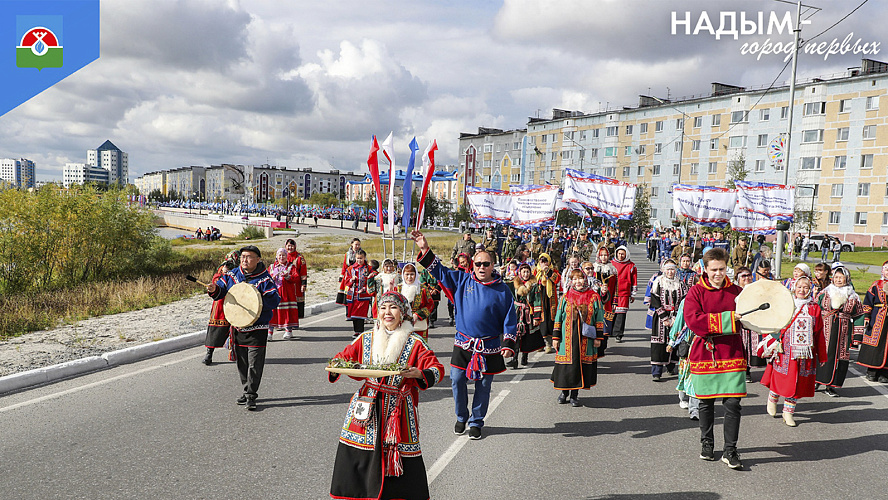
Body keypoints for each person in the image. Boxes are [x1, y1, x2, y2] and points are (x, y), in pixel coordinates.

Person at [328, 291, 444, 500]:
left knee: (398, 454)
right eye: (383, 308)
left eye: (393, 308)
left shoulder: (415, 342)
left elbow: (436, 369)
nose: (387, 312)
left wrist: (420, 373)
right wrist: (337, 366)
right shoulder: (366, 338)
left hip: (398, 408)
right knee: (360, 451)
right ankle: (360, 494)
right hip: (367, 403)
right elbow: (342, 358)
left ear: (403, 313)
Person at [412, 229, 517, 440]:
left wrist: (508, 342)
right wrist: (424, 248)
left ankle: (477, 422)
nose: (481, 268)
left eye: (486, 264)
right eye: (478, 264)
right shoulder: (461, 281)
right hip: (464, 344)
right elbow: (439, 271)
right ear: (472, 265)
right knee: (457, 380)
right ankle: (461, 416)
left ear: (492, 266)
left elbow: (510, 318)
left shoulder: (503, 290)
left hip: (489, 346)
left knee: (484, 386)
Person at [683, 247, 746, 469]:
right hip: (705, 353)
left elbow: (752, 317)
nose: (718, 273)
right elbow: (694, 321)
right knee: (706, 402)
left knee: (733, 403)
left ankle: (730, 450)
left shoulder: (738, 292)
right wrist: (730, 318)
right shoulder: (696, 292)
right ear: (705, 269)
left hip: (732, 353)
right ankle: (707, 443)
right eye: (714, 270)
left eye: (722, 269)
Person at [206, 245, 281, 410]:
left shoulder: (265, 279)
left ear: (258, 260)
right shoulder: (232, 275)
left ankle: (251, 395)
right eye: (242, 257)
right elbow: (221, 290)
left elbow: (275, 299)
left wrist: (255, 300)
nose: (244, 260)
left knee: (255, 363)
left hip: (258, 327)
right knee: (242, 363)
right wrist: (214, 289)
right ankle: (247, 388)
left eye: (248, 257)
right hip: (238, 326)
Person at [757, 276, 826, 427]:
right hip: (785, 350)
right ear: (794, 287)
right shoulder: (786, 303)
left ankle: (788, 412)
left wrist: (822, 355)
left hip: (805, 353)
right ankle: (773, 397)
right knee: (781, 378)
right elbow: (772, 323)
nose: (802, 290)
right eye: (799, 287)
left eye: (806, 287)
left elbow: (819, 332)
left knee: (797, 383)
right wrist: (769, 341)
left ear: (810, 289)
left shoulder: (814, 308)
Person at [551, 268, 605, 407]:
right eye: (574, 279)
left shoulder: (594, 297)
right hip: (566, 339)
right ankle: (564, 392)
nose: (578, 281)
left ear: (585, 279)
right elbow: (559, 316)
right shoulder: (566, 296)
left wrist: (599, 337)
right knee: (566, 367)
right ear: (571, 281)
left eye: (580, 278)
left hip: (585, 340)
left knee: (580, 365)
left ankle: (575, 395)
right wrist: (556, 337)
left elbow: (599, 317)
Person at [815, 265, 864, 396]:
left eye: (841, 277)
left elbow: (859, 315)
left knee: (838, 357)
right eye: (836, 277)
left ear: (847, 279)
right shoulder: (825, 292)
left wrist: (858, 336)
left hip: (843, 331)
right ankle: (816, 381)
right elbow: (815, 309)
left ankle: (831, 386)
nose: (838, 280)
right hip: (825, 329)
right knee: (821, 354)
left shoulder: (853, 296)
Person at [650, 260, 689, 381]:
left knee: (675, 341)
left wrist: (676, 318)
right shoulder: (658, 282)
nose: (670, 272)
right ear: (664, 270)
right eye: (668, 269)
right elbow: (655, 300)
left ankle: (671, 366)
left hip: (676, 316)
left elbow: (684, 300)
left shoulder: (681, 284)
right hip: (661, 317)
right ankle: (657, 371)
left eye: (672, 269)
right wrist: (664, 318)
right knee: (659, 344)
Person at [202, 250, 240, 365]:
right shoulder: (221, 271)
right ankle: (209, 353)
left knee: (235, 330)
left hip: (234, 304)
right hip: (220, 304)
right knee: (215, 329)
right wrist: (223, 275)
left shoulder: (239, 272)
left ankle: (236, 353)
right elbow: (216, 282)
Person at [510, 263, 547, 368]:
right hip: (517, 313)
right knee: (516, 334)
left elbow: (537, 301)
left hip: (528, 313)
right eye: (524, 272)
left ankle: (524, 357)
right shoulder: (514, 283)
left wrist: (536, 317)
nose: (526, 274)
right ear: (520, 273)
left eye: (527, 272)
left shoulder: (534, 286)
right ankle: (514, 359)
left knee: (526, 336)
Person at [859, 261, 888, 383]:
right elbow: (867, 302)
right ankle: (872, 371)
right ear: (882, 271)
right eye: (886, 269)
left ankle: (885, 374)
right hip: (877, 320)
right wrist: (866, 317)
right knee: (874, 346)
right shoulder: (876, 285)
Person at [268, 248, 300, 341]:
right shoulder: (272, 267)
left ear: (287, 256)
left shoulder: (291, 267)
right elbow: (266, 278)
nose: (281, 257)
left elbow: (296, 278)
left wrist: (288, 277)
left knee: (287, 312)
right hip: (274, 293)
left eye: (283, 255)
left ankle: (288, 331)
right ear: (276, 256)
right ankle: (270, 333)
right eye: (280, 255)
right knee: (273, 312)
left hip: (287, 294)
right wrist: (271, 278)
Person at [398, 263, 434, 341]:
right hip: (401, 323)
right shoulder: (398, 288)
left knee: (419, 345)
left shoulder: (422, 288)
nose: (409, 277)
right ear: (403, 275)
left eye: (412, 274)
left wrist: (418, 315)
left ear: (416, 275)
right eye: (407, 274)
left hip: (419, 323)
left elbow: (430, 304)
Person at [342, 249, 374, 337]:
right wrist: (352, 279)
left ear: (364, 258)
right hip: (352, 295)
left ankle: (360, 331)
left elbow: (372, 280)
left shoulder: (369, 268)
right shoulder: (350, 269)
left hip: (363, 295)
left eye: (361, 258)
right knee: (353, 313)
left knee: (361, 313)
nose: (359, 260)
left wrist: (365, 288)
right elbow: (346, 281)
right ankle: (356, 331)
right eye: (357, 258)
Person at [535, 253, 561, 353]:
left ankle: (549, 343)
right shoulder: (536, 271)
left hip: (550, 299)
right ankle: (540, 343)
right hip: (539, 298)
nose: (544, 263)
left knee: (550, 320)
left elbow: (556, 279)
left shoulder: (553, 270)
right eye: (542, 261)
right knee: (539, 319)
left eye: (546, 261)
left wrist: (548, 272)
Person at [611, 246, 637, 343]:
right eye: (619, 253)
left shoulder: (631, 266)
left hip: (624, 293)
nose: (620, 256)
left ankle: (618, 334)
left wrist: (633, 293)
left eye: (622, 254)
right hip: (612, 292)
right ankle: (610, 331)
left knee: (621, 314)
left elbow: (634, 280)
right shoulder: (612, 263)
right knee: (611, 313)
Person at [284, 238, 308, 322]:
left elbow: (303, 272)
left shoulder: (299, 258)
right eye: (288, 246)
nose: (290, 248)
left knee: (297, 303)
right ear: (285, 246)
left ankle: (294, 322)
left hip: (296, 285)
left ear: (295, 246)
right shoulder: (282, 256)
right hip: (284, 284)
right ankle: (285, 322)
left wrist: (303, 284)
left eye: (292, 246)